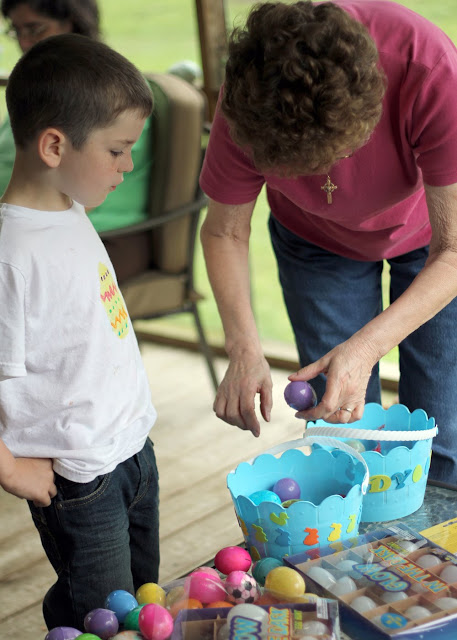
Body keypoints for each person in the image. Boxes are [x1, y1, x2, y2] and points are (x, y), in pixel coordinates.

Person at [199, 1, 457, 485]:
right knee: (343, 432)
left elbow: (454, 252)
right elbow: (224, 230)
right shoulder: (251, 95)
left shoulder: (429, 68)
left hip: (432, 240)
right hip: (314, 243)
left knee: (442, 428)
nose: (323, 182)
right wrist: (243, 347)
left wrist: (367, 348)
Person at [0, 34, 159, 630]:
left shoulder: (69, 210)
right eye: (118, 150)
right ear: (54, 145)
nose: (129, 165)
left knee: (138, 602)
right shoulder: (11, 256)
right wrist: (9, 467)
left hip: (133, 452)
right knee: (101, 618)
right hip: (80, 481)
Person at [0, 0, 153, 282]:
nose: (24, 42)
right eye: (16, 31)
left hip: (106, 235)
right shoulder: (18, 258)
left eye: (34, 28)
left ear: (72, 21)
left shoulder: (112, 109)